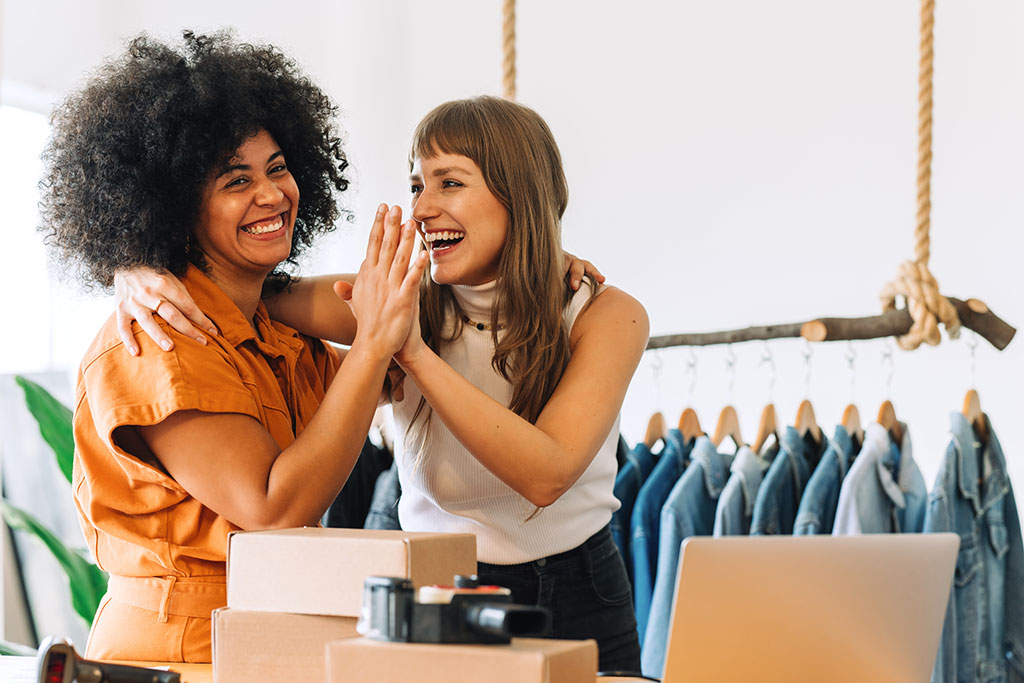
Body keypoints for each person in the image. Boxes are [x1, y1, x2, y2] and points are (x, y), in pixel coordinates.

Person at [119, 96, 649, 671]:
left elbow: (546, 475)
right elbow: (239, 284)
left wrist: (412, 352)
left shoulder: (605, 314)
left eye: (449, 183)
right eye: (418, 184)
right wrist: (137, 265)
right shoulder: (399, 298)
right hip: (434, 588)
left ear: (518, 194)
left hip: (577, 586)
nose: (421, 208)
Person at [38, 30, 426, 662]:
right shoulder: (159, 339)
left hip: (260, 635)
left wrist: (545, 266)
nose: (270, 194)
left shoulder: (267, 329)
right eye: (234, 180)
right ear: (173, 207)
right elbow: (273, 507)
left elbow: (395, 342)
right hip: (180, 653)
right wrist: (374, 343)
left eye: (277, 168)